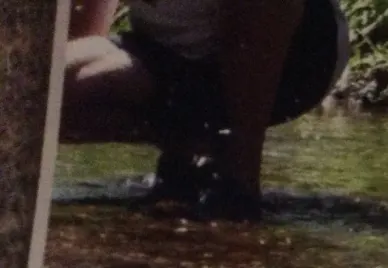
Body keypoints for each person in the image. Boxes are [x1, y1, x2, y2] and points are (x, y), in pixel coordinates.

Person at [62, 0, 350, 223]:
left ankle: (239, 174)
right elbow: (82, 40)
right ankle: (192, 143)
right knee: (45, 89)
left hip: (297, 59)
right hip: (171, 59)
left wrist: (241, 183)